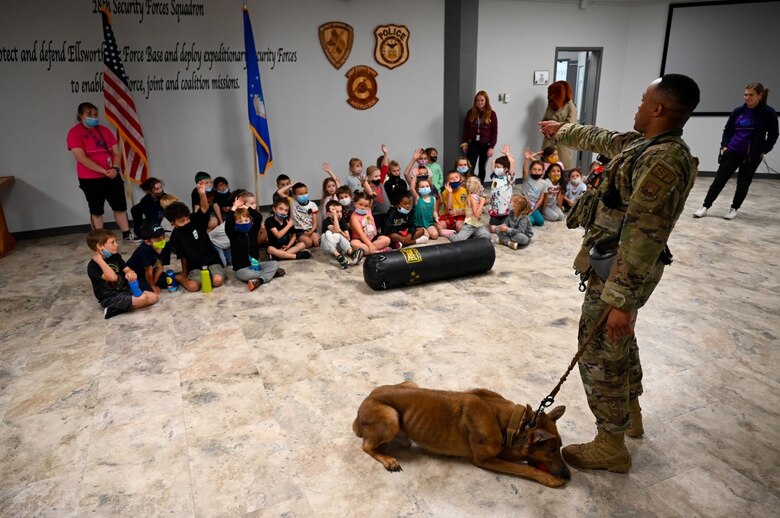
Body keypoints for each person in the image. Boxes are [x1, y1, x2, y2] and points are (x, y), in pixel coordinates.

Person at [538, 73, 700, 473]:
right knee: (618, 342)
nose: (638, 106)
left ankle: (610, 443)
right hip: (611, 266)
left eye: (644, 100)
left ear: (659, 108)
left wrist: (620, 301)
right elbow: (600, 138)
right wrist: (562, 130)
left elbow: (645, 234)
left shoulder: (663, 160)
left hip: (621, 274)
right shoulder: (642, 144)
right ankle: (630, 414)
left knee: (600, 351)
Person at [693, 82, 778, 220]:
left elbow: (774, 134)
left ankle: (734, 208)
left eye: (751, 95)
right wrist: (725, 146)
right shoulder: (738, 111)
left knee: (743, 183)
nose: (747, 98)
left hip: (752, 155)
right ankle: (705, 206)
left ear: (760, 95)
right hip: (732, 151)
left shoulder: (768, 113)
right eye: (745, 94)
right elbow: (727, 130)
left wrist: (765, 149)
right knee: (719, 180)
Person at [67, 102, 134, 240]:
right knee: (96, 209)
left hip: (112, 175)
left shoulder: (104, 130)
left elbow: (117, 152)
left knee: (120, 206)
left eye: (96, 115)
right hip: (90, 179)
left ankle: (127, 233)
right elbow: (81, 157)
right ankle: (100, 237)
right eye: (89, 115)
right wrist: (104, 171)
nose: (94, 117)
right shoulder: (75, 132)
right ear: (81, 115)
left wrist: (114, 169)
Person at [86, 229, 158, 319]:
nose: (116, 245)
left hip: (124, 290)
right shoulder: (93, 266)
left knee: (154, 297)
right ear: (100, 246)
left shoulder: (115, 256)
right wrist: (99, 260)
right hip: (110, 298)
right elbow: (112, 278)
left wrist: (130, 273)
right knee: (143, 298)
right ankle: (111, 307)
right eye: (112, 242)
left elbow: (127, 269)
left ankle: (115, 310)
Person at [165, 185, 225, 292]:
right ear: (173, 223)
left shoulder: (195, 220)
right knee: (194, 287)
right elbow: (182, 256)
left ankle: (210, 277)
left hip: (212, 260)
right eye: (181, 221)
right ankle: (179, 279)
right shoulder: (175, 236)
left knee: (217, 281)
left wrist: (202, 194)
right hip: (195, 266)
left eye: (187, 219)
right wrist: (184, 273)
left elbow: (204, 208)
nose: (186, 222)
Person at [225, 205, 283, 291]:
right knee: (248, 274)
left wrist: (247, 207)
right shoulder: (233, 235)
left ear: (250, 221)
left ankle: (260, 280)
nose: (243, 223)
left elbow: (258, 217)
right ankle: (271, 274)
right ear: (235, 223)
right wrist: (234, 207)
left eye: (246, 220)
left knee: (274, 263)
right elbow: (228, 224)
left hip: (256, 265)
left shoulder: (253, 231)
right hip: (242, 269)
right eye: (240, 221)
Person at [461, 91, 498, 183]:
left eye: (482, 100)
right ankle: (470, 186)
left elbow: (494, 132)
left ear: (486, 101)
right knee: (470, 166)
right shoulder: (471, 112)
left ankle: (480, 187)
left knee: (482, 167)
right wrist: (464, 142)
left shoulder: (491, 114)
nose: (480, 102)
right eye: (477, 100)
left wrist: (491, 147)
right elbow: (466, 129)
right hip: (473, 144)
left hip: (485, 145)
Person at [126, 223, 173, 294]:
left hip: (152, 271)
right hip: (136, 275)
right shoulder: (144, 249)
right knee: (148, 291)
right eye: (158, 239)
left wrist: (154, 283)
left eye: (163, 236)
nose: (162, 240)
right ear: (147, 241)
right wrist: (151, 286)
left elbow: (160, 267)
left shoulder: (166, 246)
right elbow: (148, 271)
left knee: (169, 281)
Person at [541, 81, 578, 170]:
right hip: (548, 140)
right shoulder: (551, 104)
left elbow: (571, 125)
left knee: (562, 166)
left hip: (562, 141)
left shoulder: (570, 106)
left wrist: (556, 129)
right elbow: (544, 119)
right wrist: (545, 130)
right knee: (546, 164)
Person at [448, 176, 490, 242]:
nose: (481, 188)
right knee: (457, 240)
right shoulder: (473, 198)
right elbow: (476, 214)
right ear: (478, 188)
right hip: (469, 226)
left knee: (487, 237)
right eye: (480, 186)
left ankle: (473, 236)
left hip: (478, 225)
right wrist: (482, 203)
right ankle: (451, 235)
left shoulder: (477, 197)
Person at [279, 181, 320, 249]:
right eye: (301, 194)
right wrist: (291, 185)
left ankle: (306, 240)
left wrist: (312, 231)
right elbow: (280, 192)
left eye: (306, 193)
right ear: (294, 196)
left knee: (316, 242)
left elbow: (315, 221)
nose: (304, 195)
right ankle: (296, 240)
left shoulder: (313, 205)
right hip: (298, 230)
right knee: (308, 243)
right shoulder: (292, 201)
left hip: (310, 229)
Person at [321, 199, 362, 268]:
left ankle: (352, 254)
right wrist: (334, 216)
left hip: (341, 247)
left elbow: (348, 237)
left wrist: (340, 232)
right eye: (336, 212)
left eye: (340, 211)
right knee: (326, 234)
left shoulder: (342, 221)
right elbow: (336, 230)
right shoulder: (326, 222)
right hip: (328, 248)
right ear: (328, 214)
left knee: (338, 235)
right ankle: (339, 257)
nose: (340, 214)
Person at [488, 145, 516, 233]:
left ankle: (506, 226)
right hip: (495, 212)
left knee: (504, 227)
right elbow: (493, 161)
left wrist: (507, 155)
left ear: (506, 169)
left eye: (498, 167)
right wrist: (498, 161)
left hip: (506, 212)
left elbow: (512, 162)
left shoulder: (509, 179)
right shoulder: (494, 177)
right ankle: (501, 227)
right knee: (492, 229)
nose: (496, 168)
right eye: (496, 167)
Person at [410, 174, 446, 240]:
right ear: (418, 189)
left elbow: (434, 211)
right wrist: (414, 176)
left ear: (430, 187)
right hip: (419, 224)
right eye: (422, 187)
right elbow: (412, 189)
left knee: (435, 235)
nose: (425, 188)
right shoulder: (417, 198)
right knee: (427, 236)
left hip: (429, 223)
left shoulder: (433, 199)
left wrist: (436, 218)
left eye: (427, 186)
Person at [521, 156, 548, 226]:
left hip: (533, 206)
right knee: (531, 222)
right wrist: (526, 159)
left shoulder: (544, 183)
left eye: (539, 170)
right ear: (530, 170)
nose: (537, 171)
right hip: (524, 205)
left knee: (540, 222)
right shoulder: (527, 178)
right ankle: (520, 215)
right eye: (534, 169)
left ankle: (527, 216)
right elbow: (524, 170)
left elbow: (541, 199)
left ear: (542, 171)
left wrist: (533, 209)